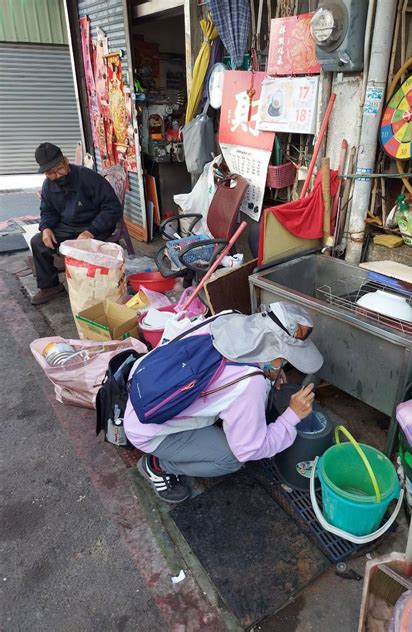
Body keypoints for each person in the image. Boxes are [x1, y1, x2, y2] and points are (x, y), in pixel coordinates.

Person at [124, 302, 324, 504]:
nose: (285, 363)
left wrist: (269, 370)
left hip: (140, 389)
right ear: (275, 352)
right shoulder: (249, 384)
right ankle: (159, 466)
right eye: (286, 358)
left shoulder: (228, 317)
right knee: (231, 459)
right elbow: (250, 449)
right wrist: (292, 416)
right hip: (151, 432)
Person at [30, 142, 123, 305]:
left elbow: (112, 208)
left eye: (59, 169)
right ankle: (50, 286)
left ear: (65, 162)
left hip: (95, 225)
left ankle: (94, 288)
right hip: (67, 227)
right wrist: (46, 228)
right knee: (38, 242)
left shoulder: (89, 178)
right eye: (50, 173)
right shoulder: (48, 185)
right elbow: (47, 210)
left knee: (88, 248)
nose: (57, 175)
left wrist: (91, 231)